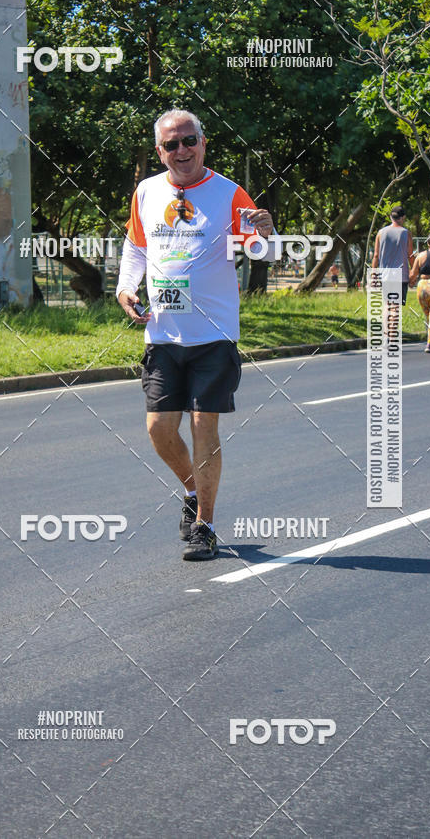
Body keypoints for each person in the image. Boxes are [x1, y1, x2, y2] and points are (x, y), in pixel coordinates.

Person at [116, 109, 273, 561]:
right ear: (159, 151)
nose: (181, 150)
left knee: (205, 425)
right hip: (163, 336)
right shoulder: (146, 192)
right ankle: (193, 492)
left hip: (214, 336)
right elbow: (136, 246)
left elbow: (258, 249)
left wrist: (266, 232)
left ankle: (204, 524)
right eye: (171, 144)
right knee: (159, 430)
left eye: (189, 141)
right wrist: (126, 288)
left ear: (204, 142)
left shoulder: (228, 194)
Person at [372, 205, 414, 305]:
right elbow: (410, 256)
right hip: (401, 276)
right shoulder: (406, 233)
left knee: (387, 304)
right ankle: (390, 320)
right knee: (396, 306)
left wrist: (374, 275)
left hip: (385, 275)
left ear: (391, 217)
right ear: (403, 217)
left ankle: (386, 321)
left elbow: (376, 256)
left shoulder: (380, 233)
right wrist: (414, 272)